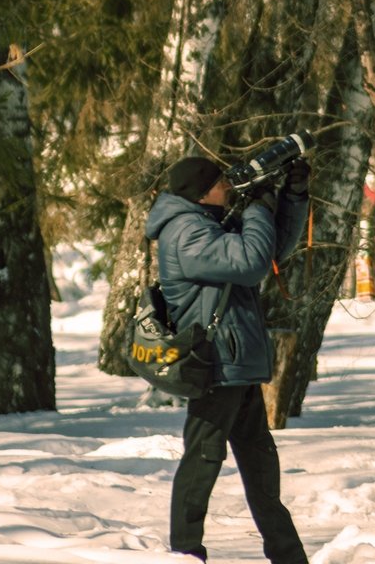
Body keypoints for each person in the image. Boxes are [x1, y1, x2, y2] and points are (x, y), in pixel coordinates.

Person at [144, 152, 312, 564]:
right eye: (221, 183)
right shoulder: (187, 233)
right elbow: (252, 263)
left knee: (260, 468)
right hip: (215, 365)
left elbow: (272, 249)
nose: (228, 188)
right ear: (202, 193)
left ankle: (290, 558)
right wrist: (256, 205)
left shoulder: (205, 225)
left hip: (234, 365)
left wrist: (291, 196)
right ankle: (185, 555)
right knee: (201, 465)